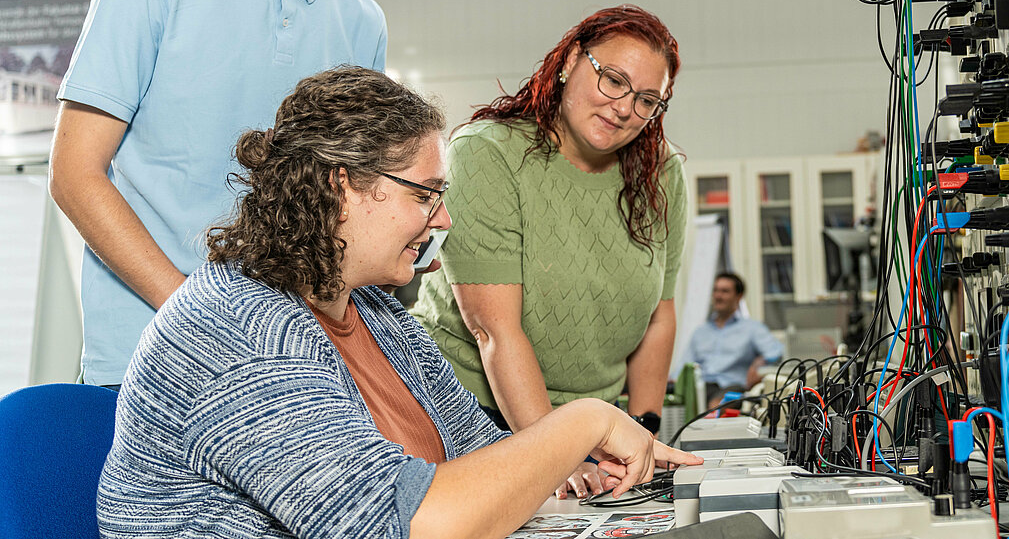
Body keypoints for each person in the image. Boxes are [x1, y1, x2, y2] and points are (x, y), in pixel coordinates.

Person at [97, 67, 699, 539]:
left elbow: (484, 459)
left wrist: (568, 473)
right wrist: (586, 421)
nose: (444, 218)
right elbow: (407, 527)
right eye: (425, 195)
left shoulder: (376, 315)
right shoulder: (237, 335)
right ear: (342, 184)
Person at [50, 0, 417, 387]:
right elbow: (74, 173)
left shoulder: (361, 22)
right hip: (146, 357)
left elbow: (348, 209)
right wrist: (194, 319)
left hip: (292, 369)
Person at [411, 5, 686, 499]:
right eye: (613, 81)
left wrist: (641, 433)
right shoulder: (487, 152)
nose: (625, 108)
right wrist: (554, 451)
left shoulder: (660, 174)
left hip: (594, 428)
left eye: (648, 99)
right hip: (468, 414)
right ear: (569, 62)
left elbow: (659, 315)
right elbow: (493, 329)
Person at [684, 272, 785, 407]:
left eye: (725, 291)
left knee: (716, 406)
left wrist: (758, 363)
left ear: (739, 296)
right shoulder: (701, 332)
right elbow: (684, 365)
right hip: (702, 387)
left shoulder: (752, 328)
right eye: (716, 290)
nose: (718, 296)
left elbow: (775, 351)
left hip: (733, 387)